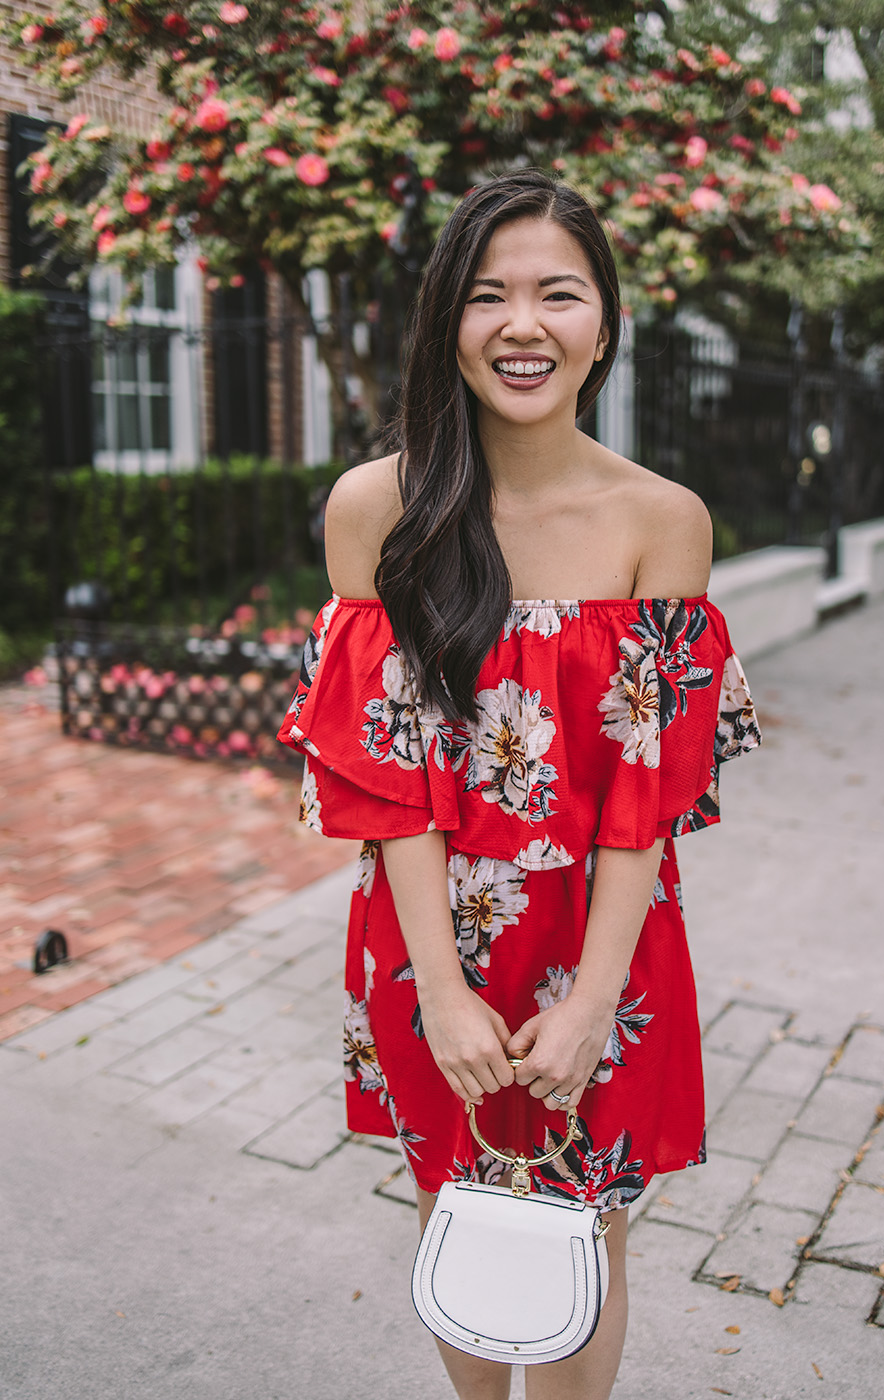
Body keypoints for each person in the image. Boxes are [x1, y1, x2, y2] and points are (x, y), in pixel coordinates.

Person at [278, 170, 761, 1400]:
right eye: (487, 294)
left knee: (582, 1223)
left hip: (604, 937)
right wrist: (439, 989)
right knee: (461, 1207)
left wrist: (596, 996)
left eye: (558, 292)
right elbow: (383, 783)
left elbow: (642, 798)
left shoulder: (663, 519)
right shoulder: (377, 508)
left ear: (604, 323)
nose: (521, 324)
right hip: (428, 932)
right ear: (449, 318)